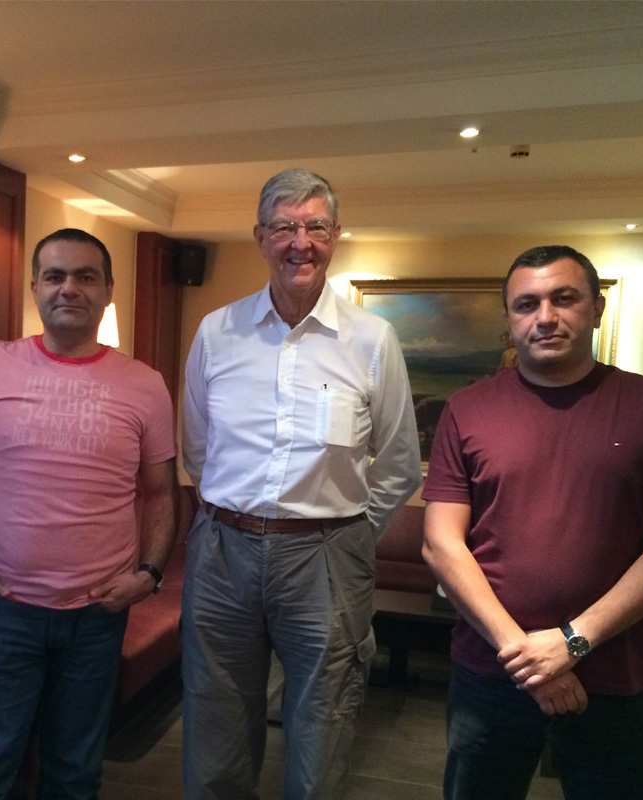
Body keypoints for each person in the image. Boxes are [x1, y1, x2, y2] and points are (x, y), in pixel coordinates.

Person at [422, 245, 643, 800]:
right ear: (509, 320)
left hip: (615, 677)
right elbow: (441, 544)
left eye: (564, 298)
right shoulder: (467, 408)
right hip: (492, 674)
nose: (545, 316)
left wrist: (573, 643)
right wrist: (531, 659)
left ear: (596, 309)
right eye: (526, 304)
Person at [181, 168, 422, 800]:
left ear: (335, 235)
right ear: (260, 237)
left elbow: (399, 462)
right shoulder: (216, 332)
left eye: (315, 226)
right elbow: (199, 449)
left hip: (327, 555)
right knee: (215, 718)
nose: (300, 242)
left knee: (324, 720)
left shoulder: (372, 340)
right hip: (222, 551)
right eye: (285, 227)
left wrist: (343, 532)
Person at [0, 228, 178, 800]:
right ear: (35, 287)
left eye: (86, 276)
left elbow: (162, 493)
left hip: (97, 615)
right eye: (56, 276)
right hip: (4, 609)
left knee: (75, 776)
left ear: (108, 290)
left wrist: (149, 574)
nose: (70, 288)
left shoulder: (145, 386)